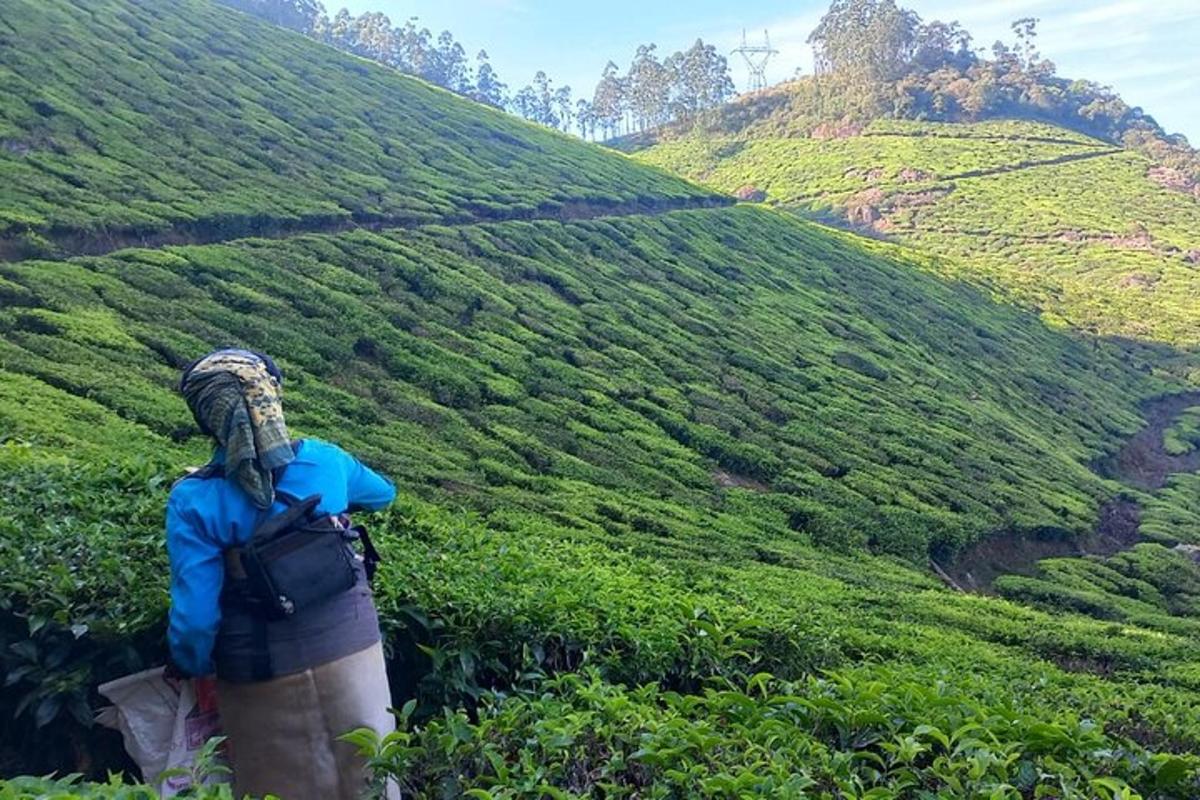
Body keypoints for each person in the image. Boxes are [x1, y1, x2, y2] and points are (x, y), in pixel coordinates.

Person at [166, 348, 398, 800]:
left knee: (279, 786)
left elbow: (194, 623)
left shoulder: (193, 501)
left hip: (255, 669)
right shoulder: (324, 462)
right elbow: (383, 494)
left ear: (207, 417)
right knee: (371, 775)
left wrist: (193, 668)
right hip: (352, 648)